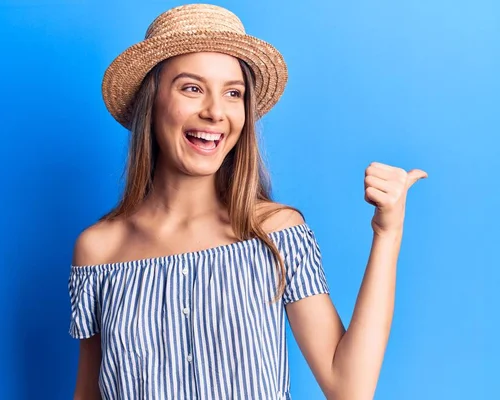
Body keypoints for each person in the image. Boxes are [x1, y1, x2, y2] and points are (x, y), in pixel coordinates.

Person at [67, 4, 427, 400]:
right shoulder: (99, 251)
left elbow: (349, 389)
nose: (215, 112)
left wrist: (387, 233)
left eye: (233, 93)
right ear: (150, 104)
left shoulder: (276, 233)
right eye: (191, 88)